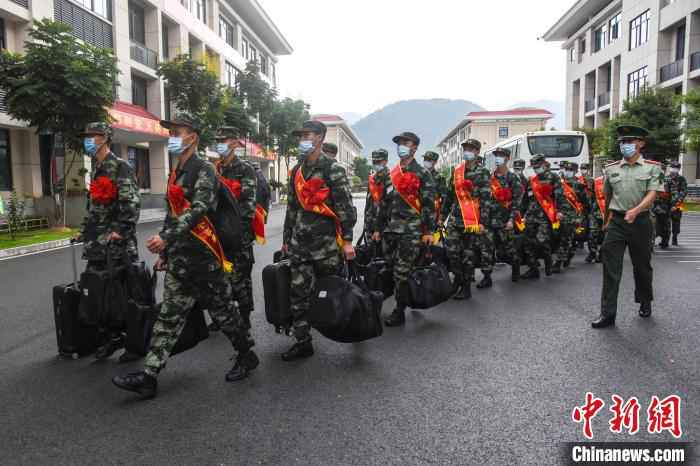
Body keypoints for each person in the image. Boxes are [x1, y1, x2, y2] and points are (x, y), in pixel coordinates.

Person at [112, 113, 258, 398]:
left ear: (193, 136)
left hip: (204, 258)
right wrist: (167, 250)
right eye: (172, 131)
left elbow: (199, 209)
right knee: (168, 317)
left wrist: (166, 237)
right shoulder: (176, 169)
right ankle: (149, 375)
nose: (173, 136)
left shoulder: (205, 170)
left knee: (224, 313)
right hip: (181, 258)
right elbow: (174, 213)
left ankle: (246, 353)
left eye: (178, 131)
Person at [282, 120, 357, 359]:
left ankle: (353, 326)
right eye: (301, 136)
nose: (303, 140)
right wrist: (286, 239)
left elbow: (346, 208)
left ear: (320, 138)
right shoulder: (296, 171)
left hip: (326, 247)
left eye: (308, 135)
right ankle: (303, 341)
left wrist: (347, 241)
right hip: (299, 246)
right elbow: (292, 208)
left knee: (336, 290)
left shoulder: (332, 169)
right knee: (298, 294)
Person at [75, 122, 140, 360]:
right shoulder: (97, 168)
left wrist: (119, 232)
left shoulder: (120, 167)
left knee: (126, 294)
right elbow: (94, 209)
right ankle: (112, 337)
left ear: (105, 138)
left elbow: (131, 205)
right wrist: (84, 231)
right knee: (100, 292)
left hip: (117, 246)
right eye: (87, 136)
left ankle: (135, 344)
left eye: (94, 136)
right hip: (97, 245)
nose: (89, 140)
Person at [592, 125, 664, 328]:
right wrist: (606, 220)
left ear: (641, 143)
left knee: (642, 266)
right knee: (610, 267)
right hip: (617, 221)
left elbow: (652, 194)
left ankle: (644, 300)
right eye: (623, 142)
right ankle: (608, 314)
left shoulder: (652, 167)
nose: (625, 146)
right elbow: (607, 196)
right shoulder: (611, 168)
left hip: (640, 221)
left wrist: (636, 210)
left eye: (630, 142)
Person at [376, 131, 435, 324]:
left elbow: (428, 205)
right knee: (392, 268)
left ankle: (399, 310)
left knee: (402, 271)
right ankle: (406, 297)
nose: (401, 146)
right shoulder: (389, 174)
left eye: (405, 143)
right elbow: (383, 205)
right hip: (391, 230)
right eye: (399, 143)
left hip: (411, 230)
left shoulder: (422, 173)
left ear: (415, 147)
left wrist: (428, 231)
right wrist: (377, 228)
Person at [209, 126, 259, 334]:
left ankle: (245, 316)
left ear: (235, 143)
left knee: (239, 279)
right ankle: (224, 316)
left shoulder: (245, 169)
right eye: (218, 139)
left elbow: (249, 205)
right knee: (221, 277)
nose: (221, 143)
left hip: (238, 236)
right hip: (217, 235)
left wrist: (236, 230)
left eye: (225, 140)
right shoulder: (214, 169)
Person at [441, 139, 491, 298]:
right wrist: (442, 216)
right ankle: (458, 278)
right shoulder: (457, 172)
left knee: (468, 255)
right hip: (455, 219)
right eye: (465, 148)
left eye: (471, 149)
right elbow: (449, 196)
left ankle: (466, 286)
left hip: (472, 220)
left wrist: (483, 222)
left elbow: (486, 199)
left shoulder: (482, 172)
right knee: (452, 253)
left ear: (477, 152)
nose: (467, 151)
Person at [521, 154, 565, 280]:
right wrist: (522, 214)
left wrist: (559, 211)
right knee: (528, 243)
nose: (536, 169)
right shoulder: (532, 180)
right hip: (530, 216)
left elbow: (559, 196)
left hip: (545, 216)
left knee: (542, 241)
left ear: (544, 164)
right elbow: (526, 199)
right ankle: (533, 268)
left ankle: (548, 262)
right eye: (534, 167)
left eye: (538, 166)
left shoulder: (553, 178)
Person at [487, 148, 523, 282]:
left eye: (500, 156)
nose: (497, 158)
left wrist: (511, 220)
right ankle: (487, 277)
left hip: (505, 220)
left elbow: (516, 202)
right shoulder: (490, 177)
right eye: (496, 156)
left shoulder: (513, 178)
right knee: (488, 250)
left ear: (507, 158)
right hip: (490, 220)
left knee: (509, 248)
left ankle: (516, 269)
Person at [555, 161, 588, 272]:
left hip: (572, 217)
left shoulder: (579, 185)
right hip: (559, 215)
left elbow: (585, 202)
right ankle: (568, 255)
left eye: (570, 170)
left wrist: (583, 215)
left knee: (565, 239)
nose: (567, 172)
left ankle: (558, 263)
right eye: (566, 169)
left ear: (575, 171)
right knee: (567, 239)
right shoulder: (559, 183)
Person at [365, 149, 391, 241]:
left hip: (384, 227)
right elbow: (368, 204)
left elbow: (387, 205)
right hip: (370, 225)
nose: (375, 163)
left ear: (386, 161)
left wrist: (378, 229)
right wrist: (366, 224)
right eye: (374, 161)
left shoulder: (391, 179)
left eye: (378, 161)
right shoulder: (372, 179)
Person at [422, 150, 448, 236]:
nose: (426, 161)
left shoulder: (439, 178)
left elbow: (445, 200)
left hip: (433, 215)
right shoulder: (417, 175)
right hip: (418, 213)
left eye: (429, 160)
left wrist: (441, 218)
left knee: (433, 240)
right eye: (425, 159)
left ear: (435, 162)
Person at [667, 161, 688, 246]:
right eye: (672, 167)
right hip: (667, 203)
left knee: (677, 221)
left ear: (679, 169)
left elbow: (684, 191)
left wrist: (677, 203)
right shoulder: (667, 178)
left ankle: (675, 236)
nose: (674, 169)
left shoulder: (682, 179)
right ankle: (665, 238)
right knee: (665, 221)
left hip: (679, 204)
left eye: (676, 168)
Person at [587, 173, 606, 264]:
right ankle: (592, 252)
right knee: (592, 233)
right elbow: (590, 196)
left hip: (609, 213)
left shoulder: (617, 181)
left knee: (606, 235)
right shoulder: (597, 182)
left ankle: (602, 254)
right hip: (596, 212)